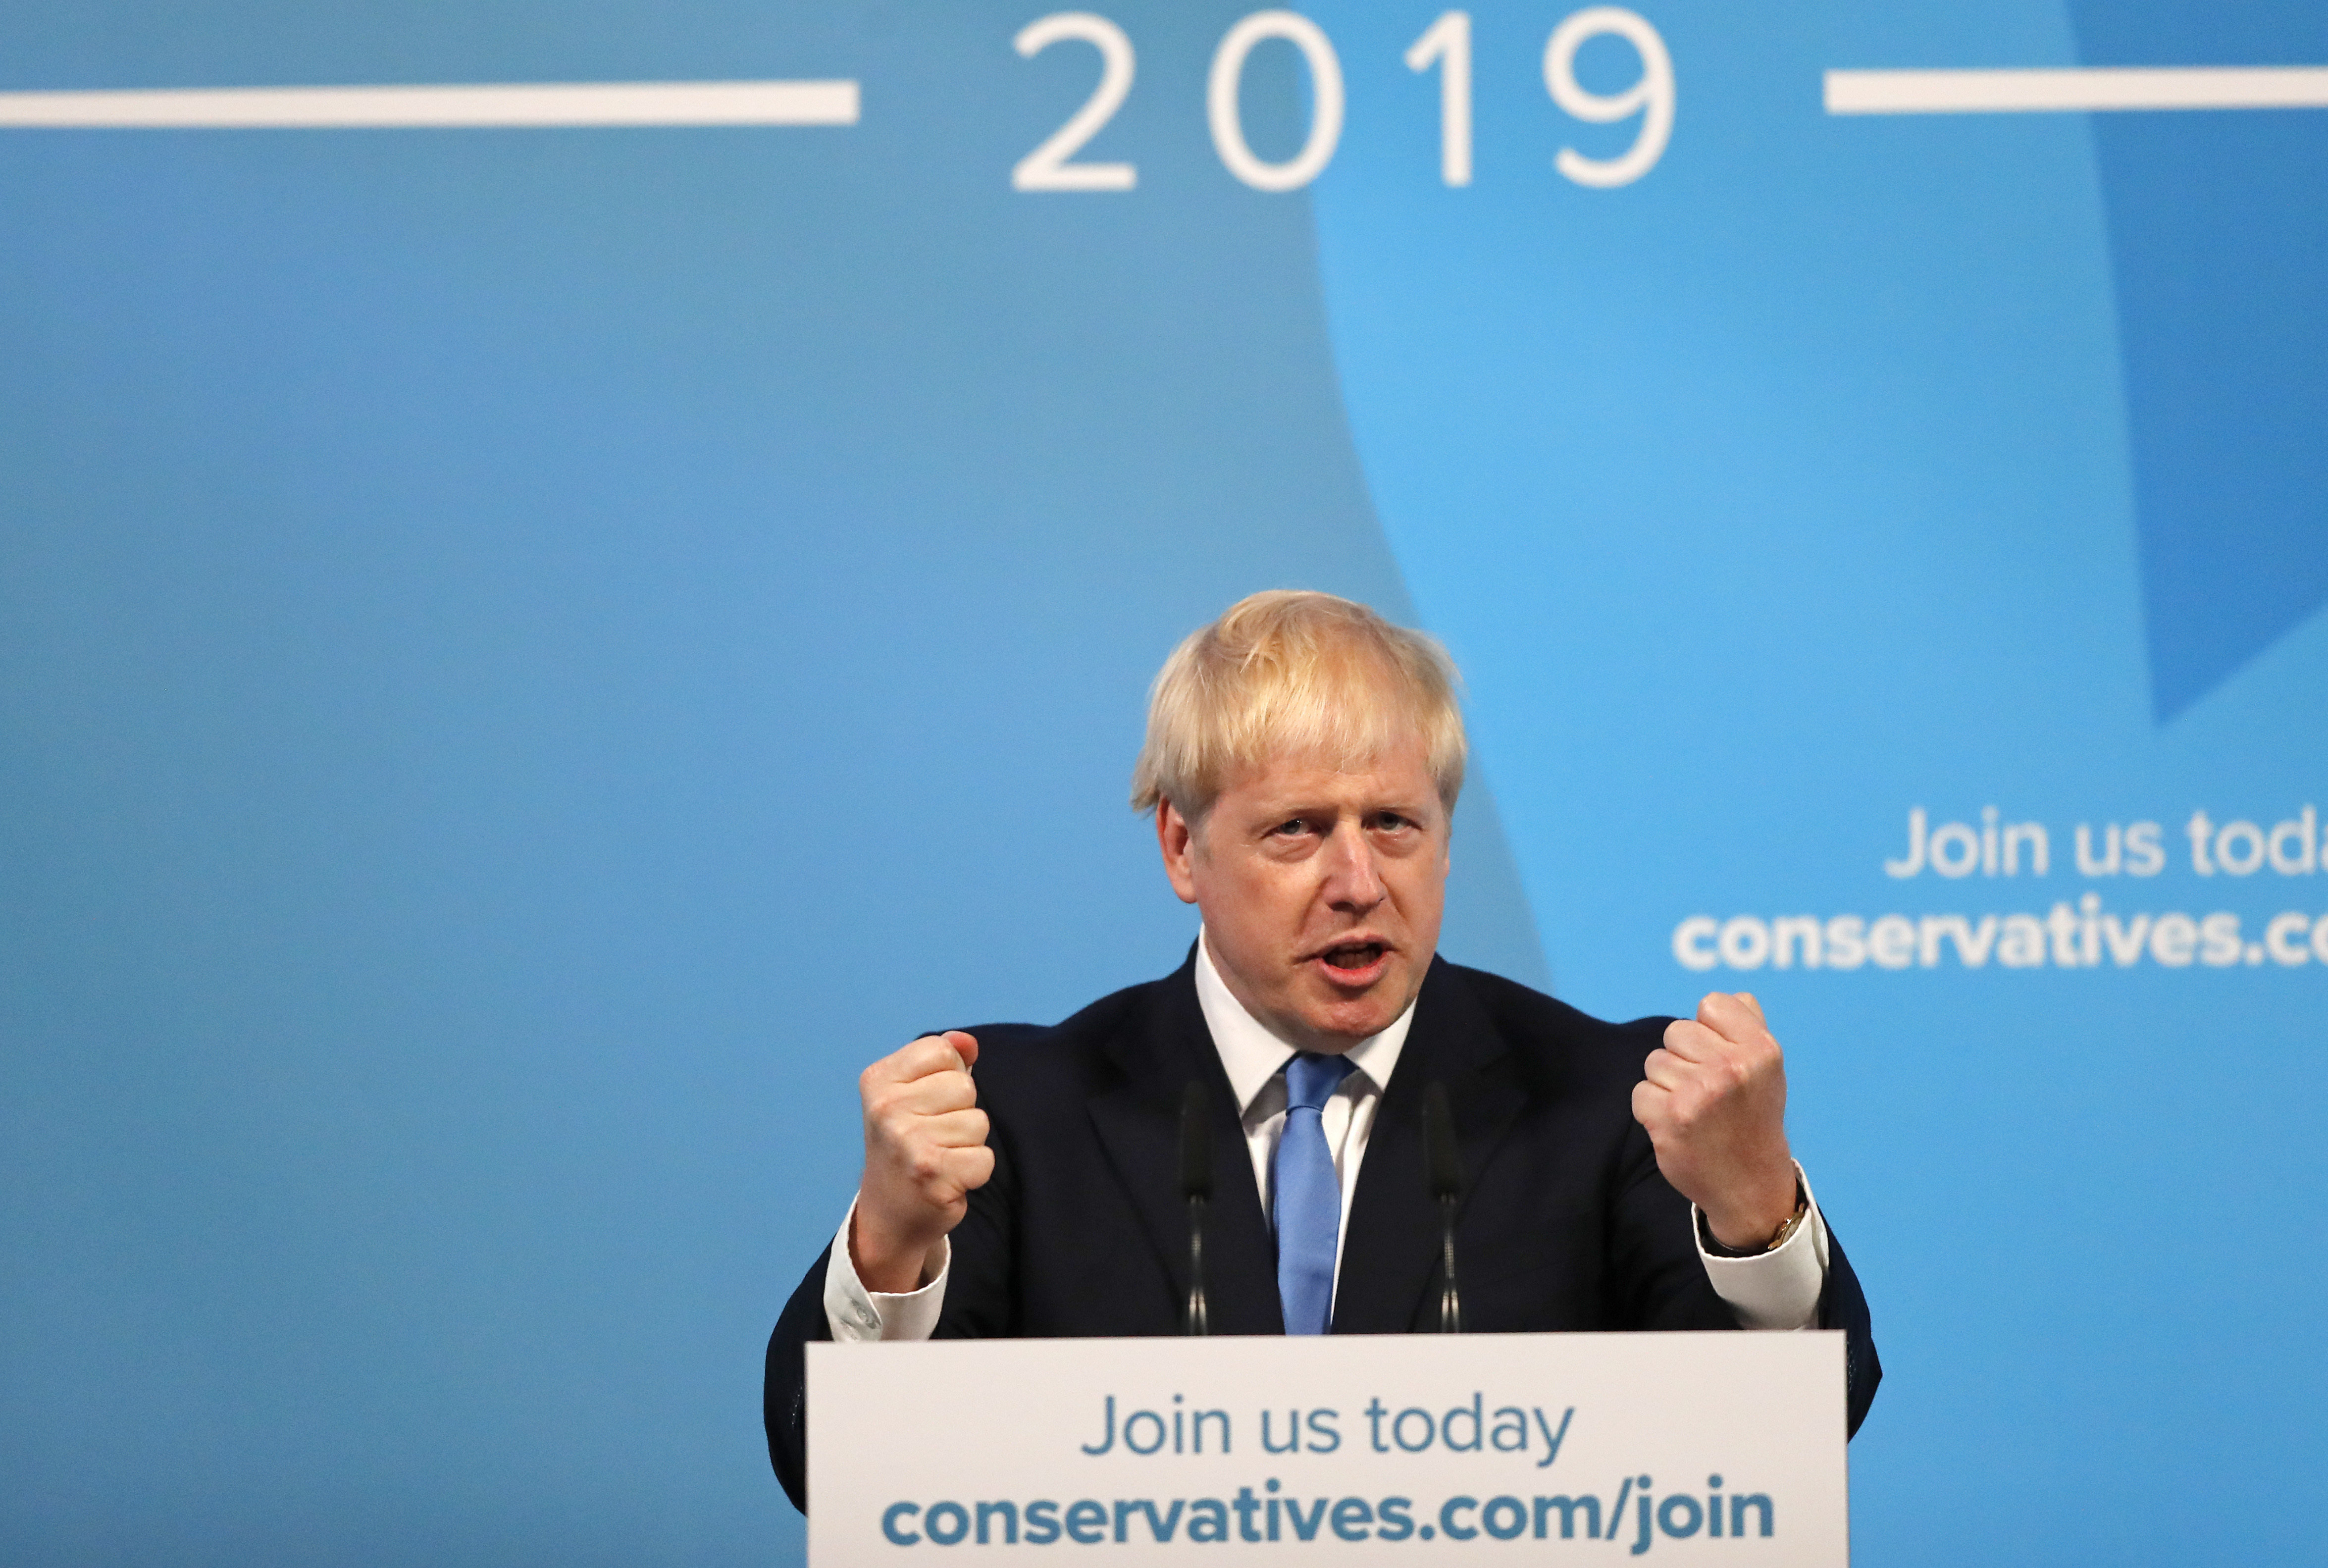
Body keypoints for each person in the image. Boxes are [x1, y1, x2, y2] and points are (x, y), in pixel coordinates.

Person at [764, 592, 1879, 1510]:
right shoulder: (1012, 1114)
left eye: (1395, 823)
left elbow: (1787, 1452)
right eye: (1296, 829)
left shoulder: (1608, 1102)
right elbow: (833, 1474)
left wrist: (1753, 1217)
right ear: (1181, 846)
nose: (1358, 882)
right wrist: (889, 1252)